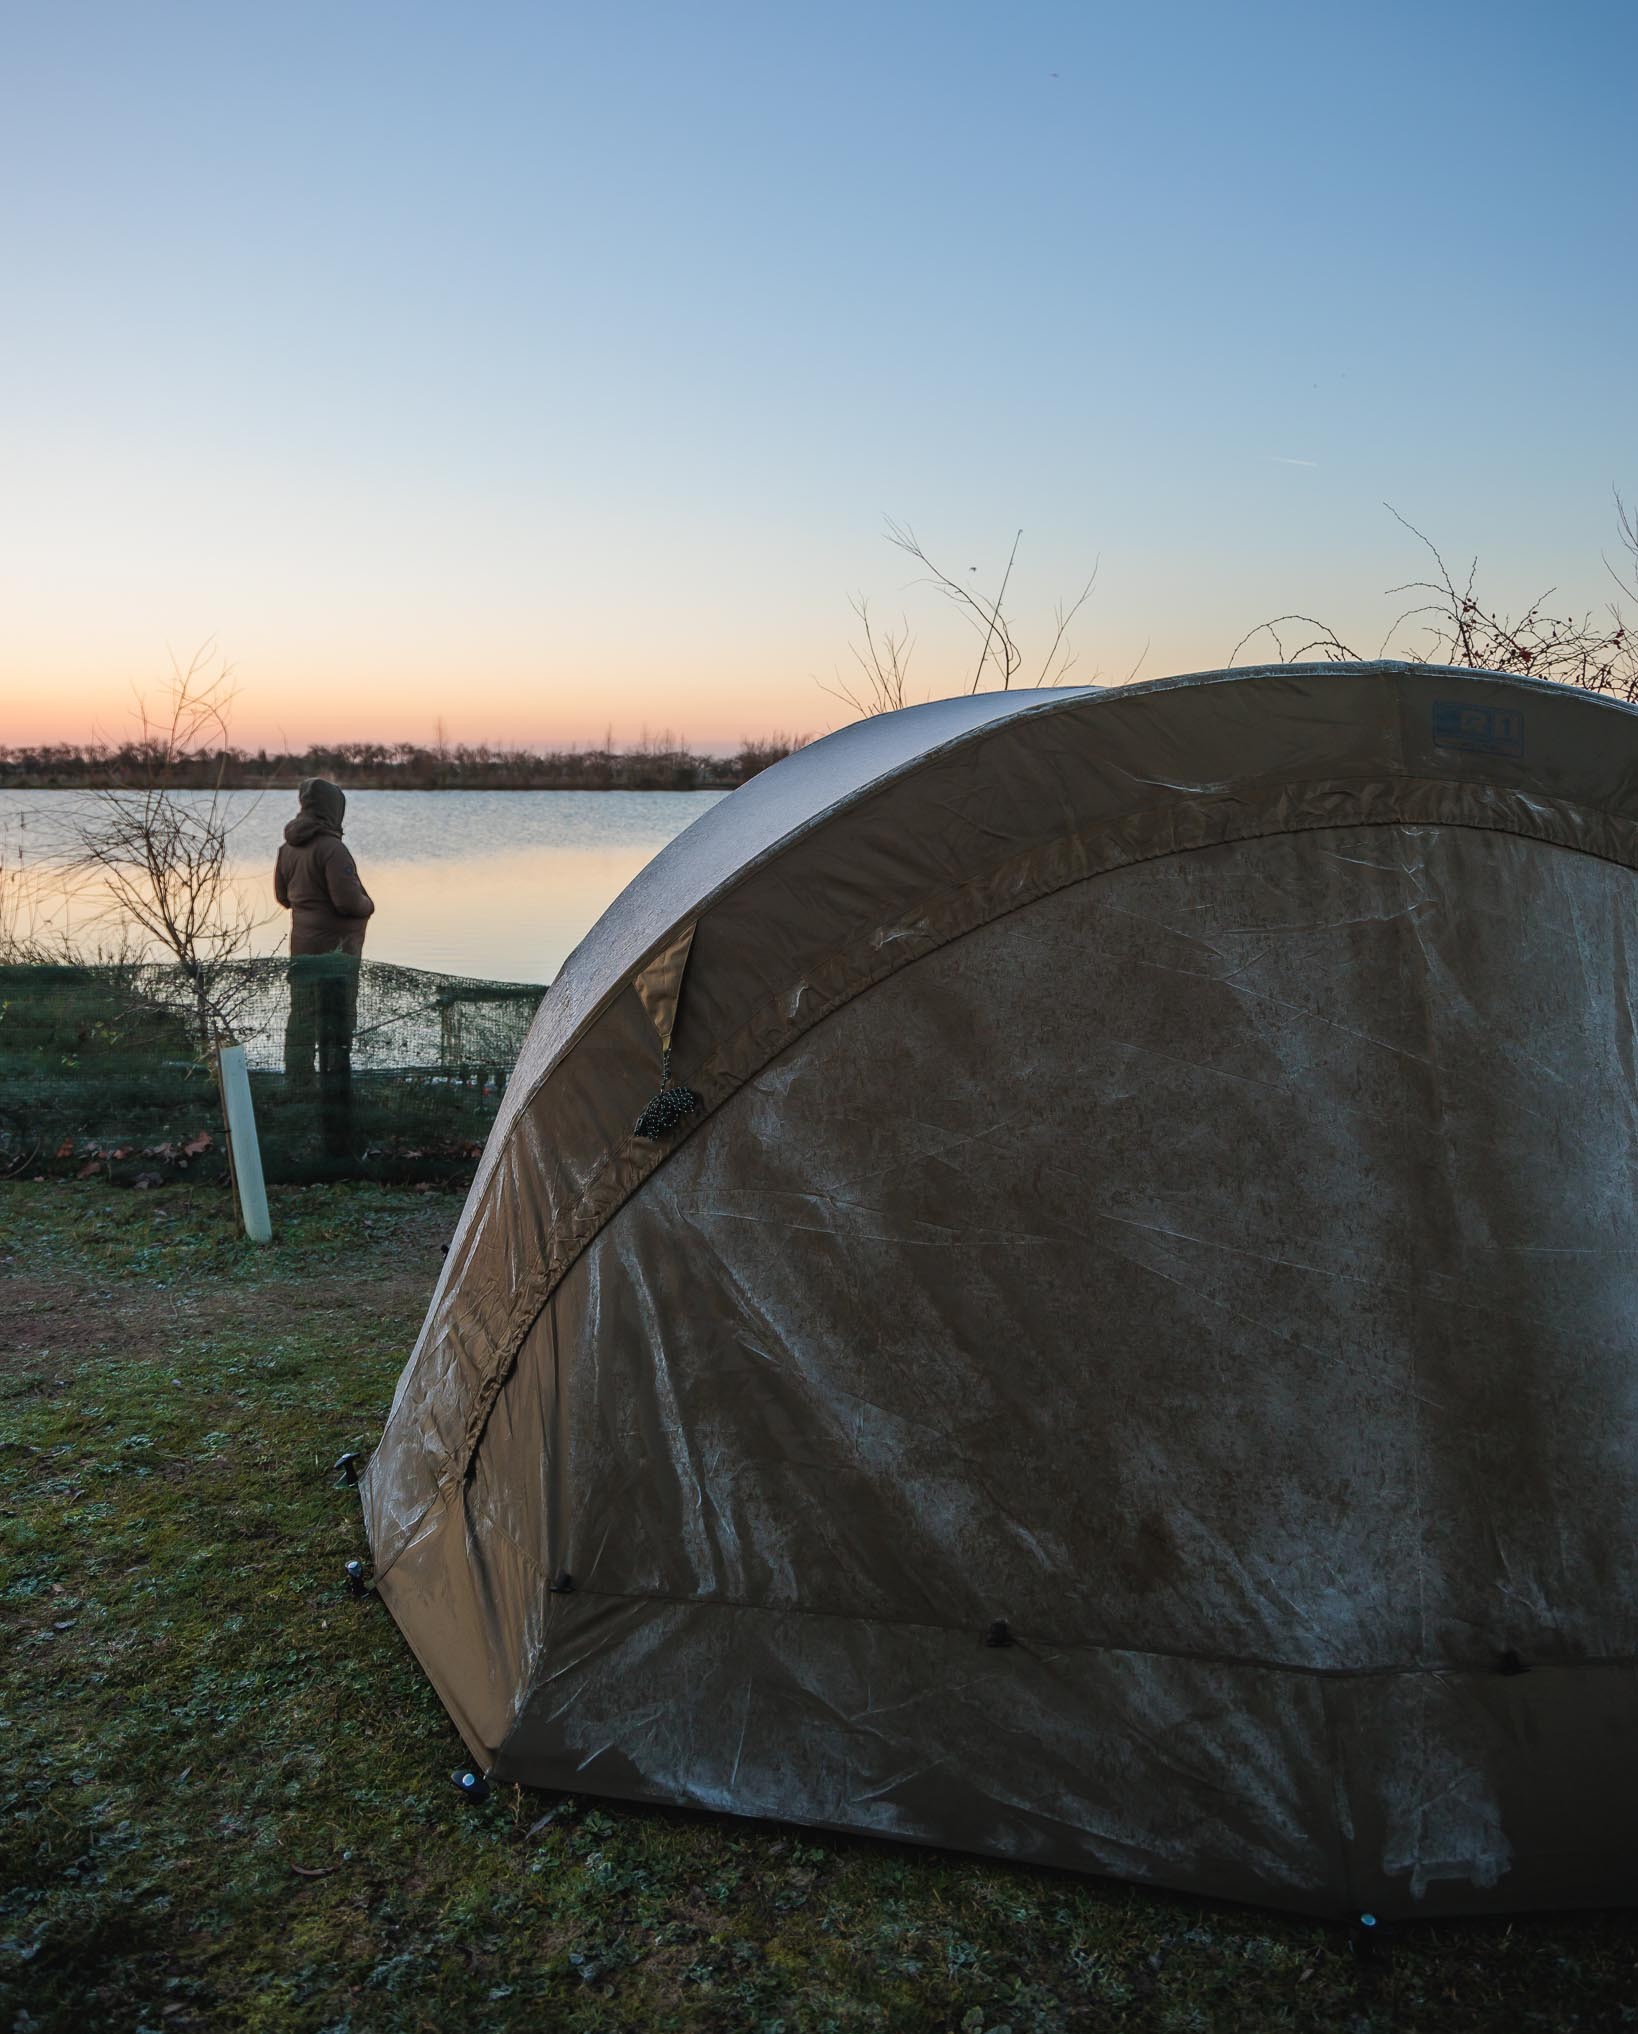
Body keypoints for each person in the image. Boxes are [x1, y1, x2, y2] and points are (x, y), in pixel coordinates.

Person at [274, 778, 374, 1114]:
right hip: (337, 952)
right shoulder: (333, 849)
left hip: (301, 948)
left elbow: (282, 897)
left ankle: (298, 1083)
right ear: (334, 809)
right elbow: (347, 902)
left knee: (302, 1016)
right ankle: (335, 1088)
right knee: (337, 1018)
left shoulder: (287, 849)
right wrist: (369, 904)